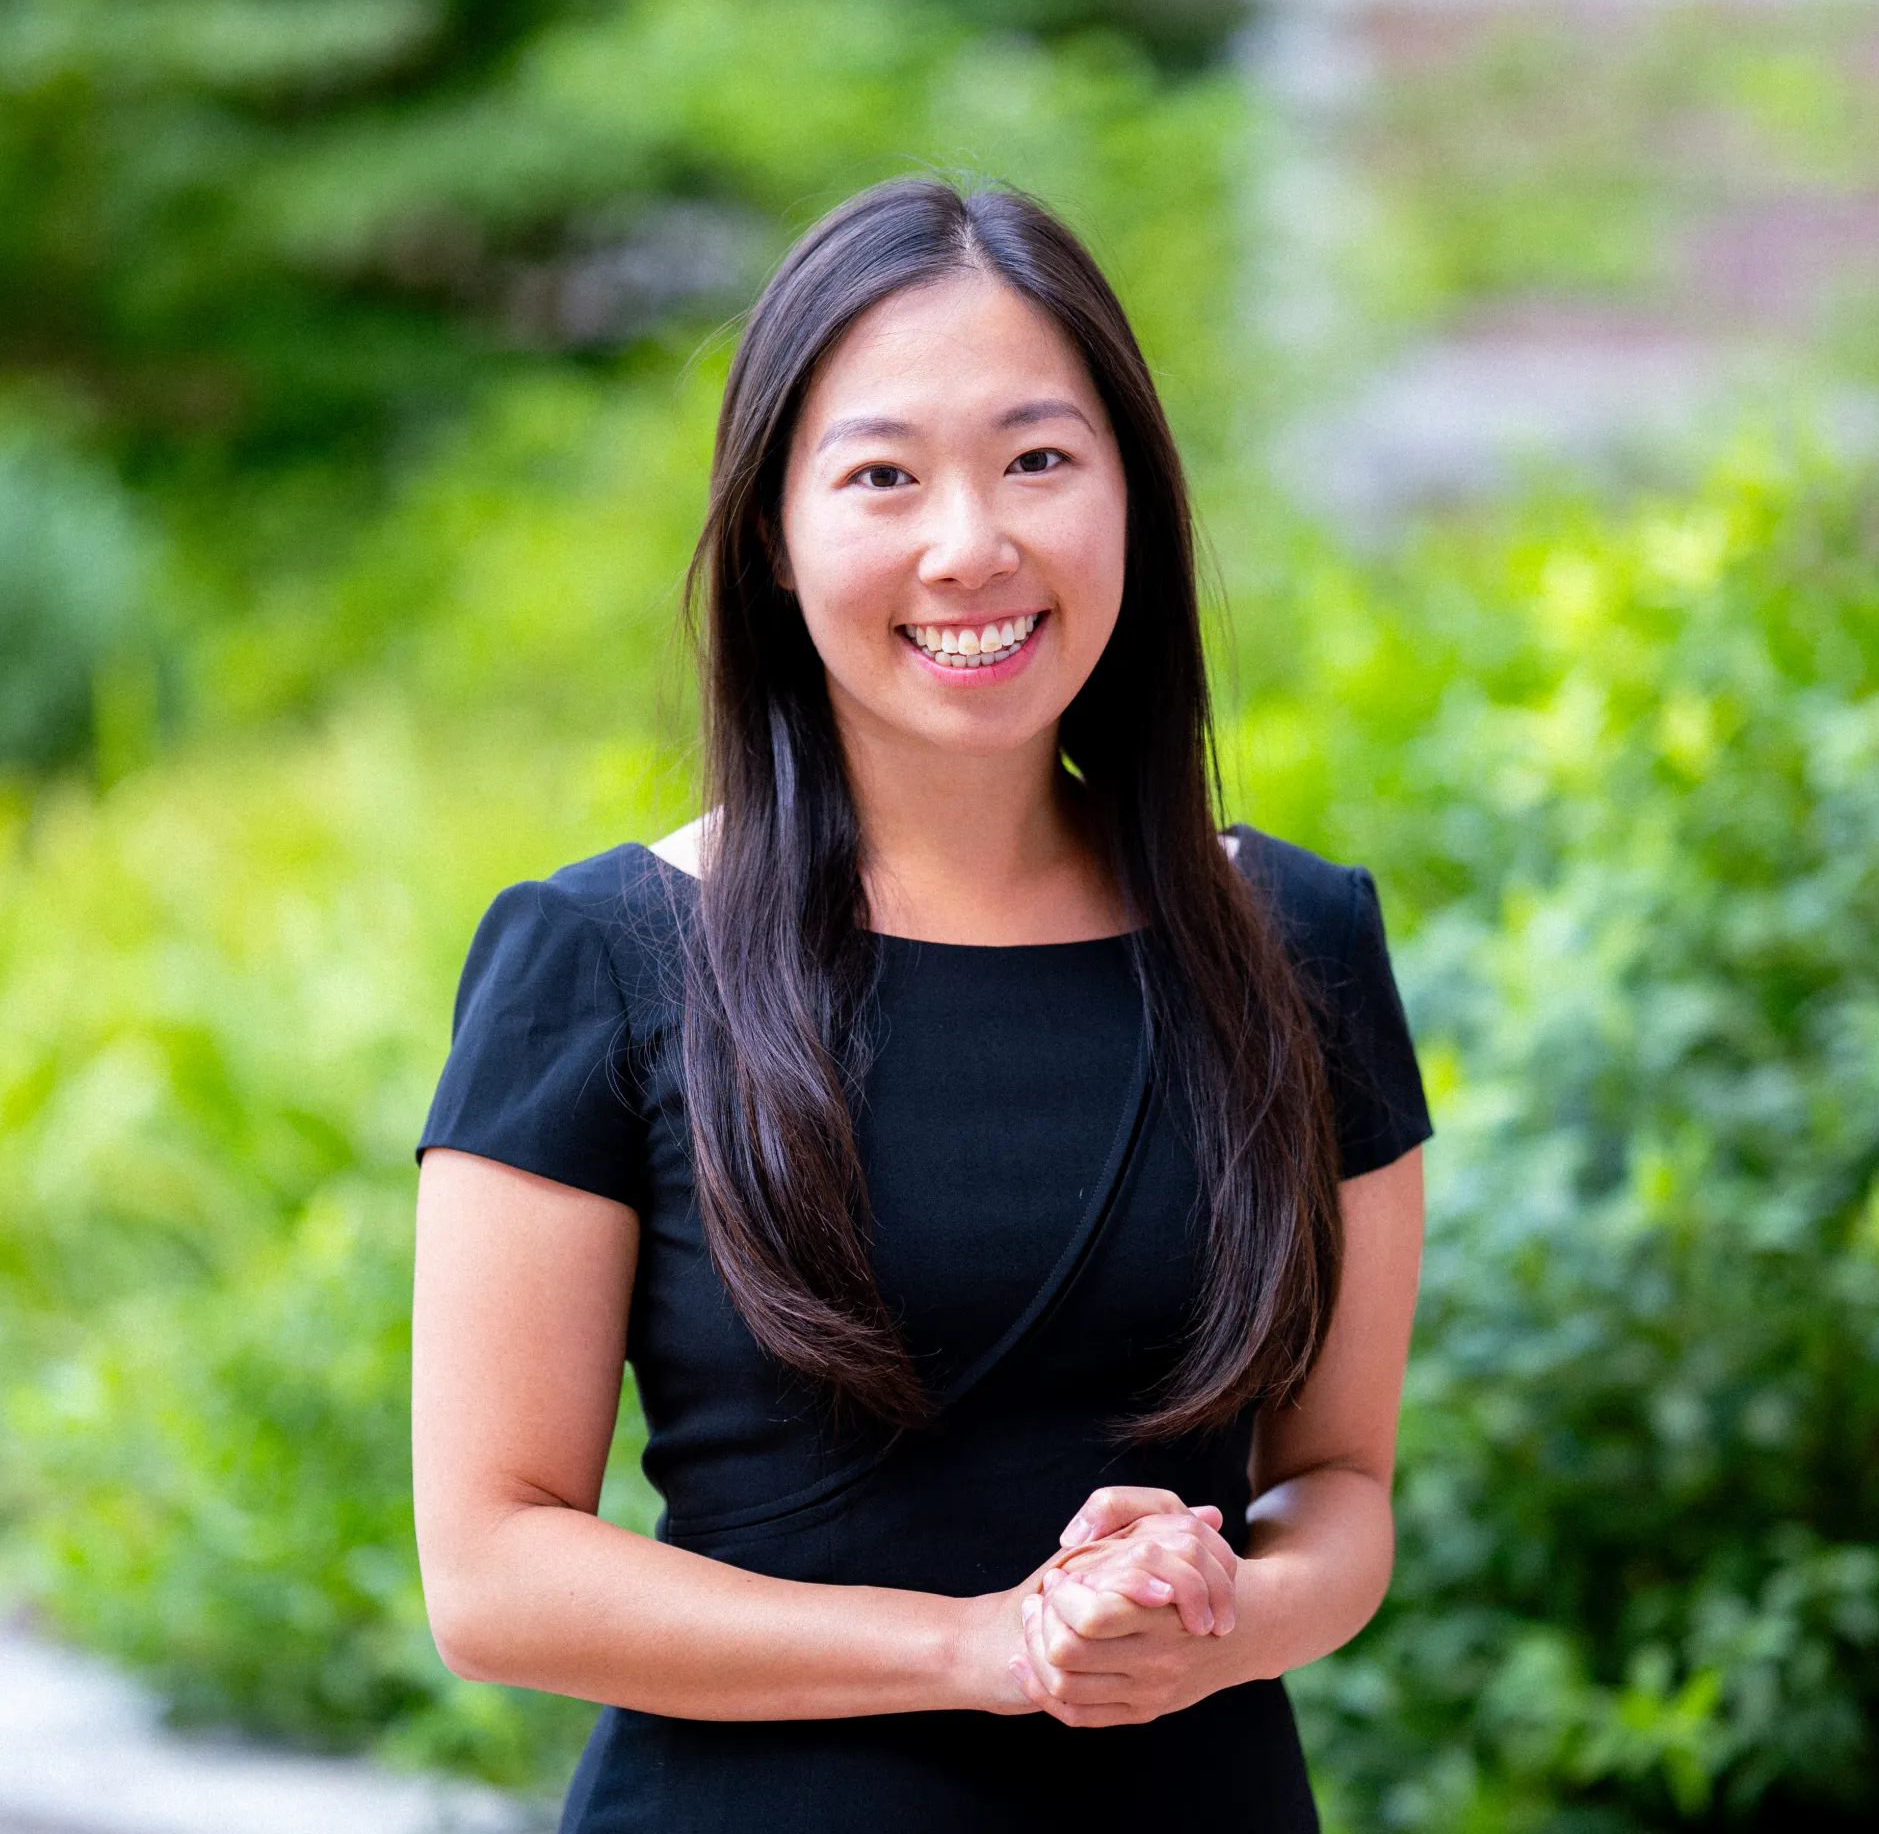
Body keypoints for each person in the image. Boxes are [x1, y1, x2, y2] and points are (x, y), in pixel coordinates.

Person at [411, 177, 1430, 1832]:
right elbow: (494, 1571)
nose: (973, 545)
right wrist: (985, 1649)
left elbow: (1344, 1488)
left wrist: (1225, 1603)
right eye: (882, 475)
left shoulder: (1297, 939)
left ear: (1132, 500)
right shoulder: (595, 957)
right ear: (772, 536)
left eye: (1039, 459)